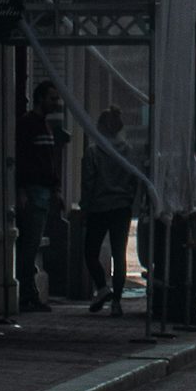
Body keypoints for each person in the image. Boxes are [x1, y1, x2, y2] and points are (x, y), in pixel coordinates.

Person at [81, 105, 139, 316]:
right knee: (119, 254)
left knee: (90, 251)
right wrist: (130, 200)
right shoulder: (128, 151)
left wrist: (84, 207)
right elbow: (134, 179)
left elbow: (88, 182)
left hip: (99, 207)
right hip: (121, 208)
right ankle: (117, 302)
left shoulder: (93, 152)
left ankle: (102, 287)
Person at [14, 80, 67, 312]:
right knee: (29, 244)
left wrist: (55, 188)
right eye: (52, 98)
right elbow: (24, 158)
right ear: (40, 99)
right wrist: (23, 189)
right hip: (34, 191)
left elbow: (48, 161)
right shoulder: (29, 124)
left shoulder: (44, 125)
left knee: (33, 243)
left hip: (43, 191)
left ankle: (28, 291)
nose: (56, 102)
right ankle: (27, 293)